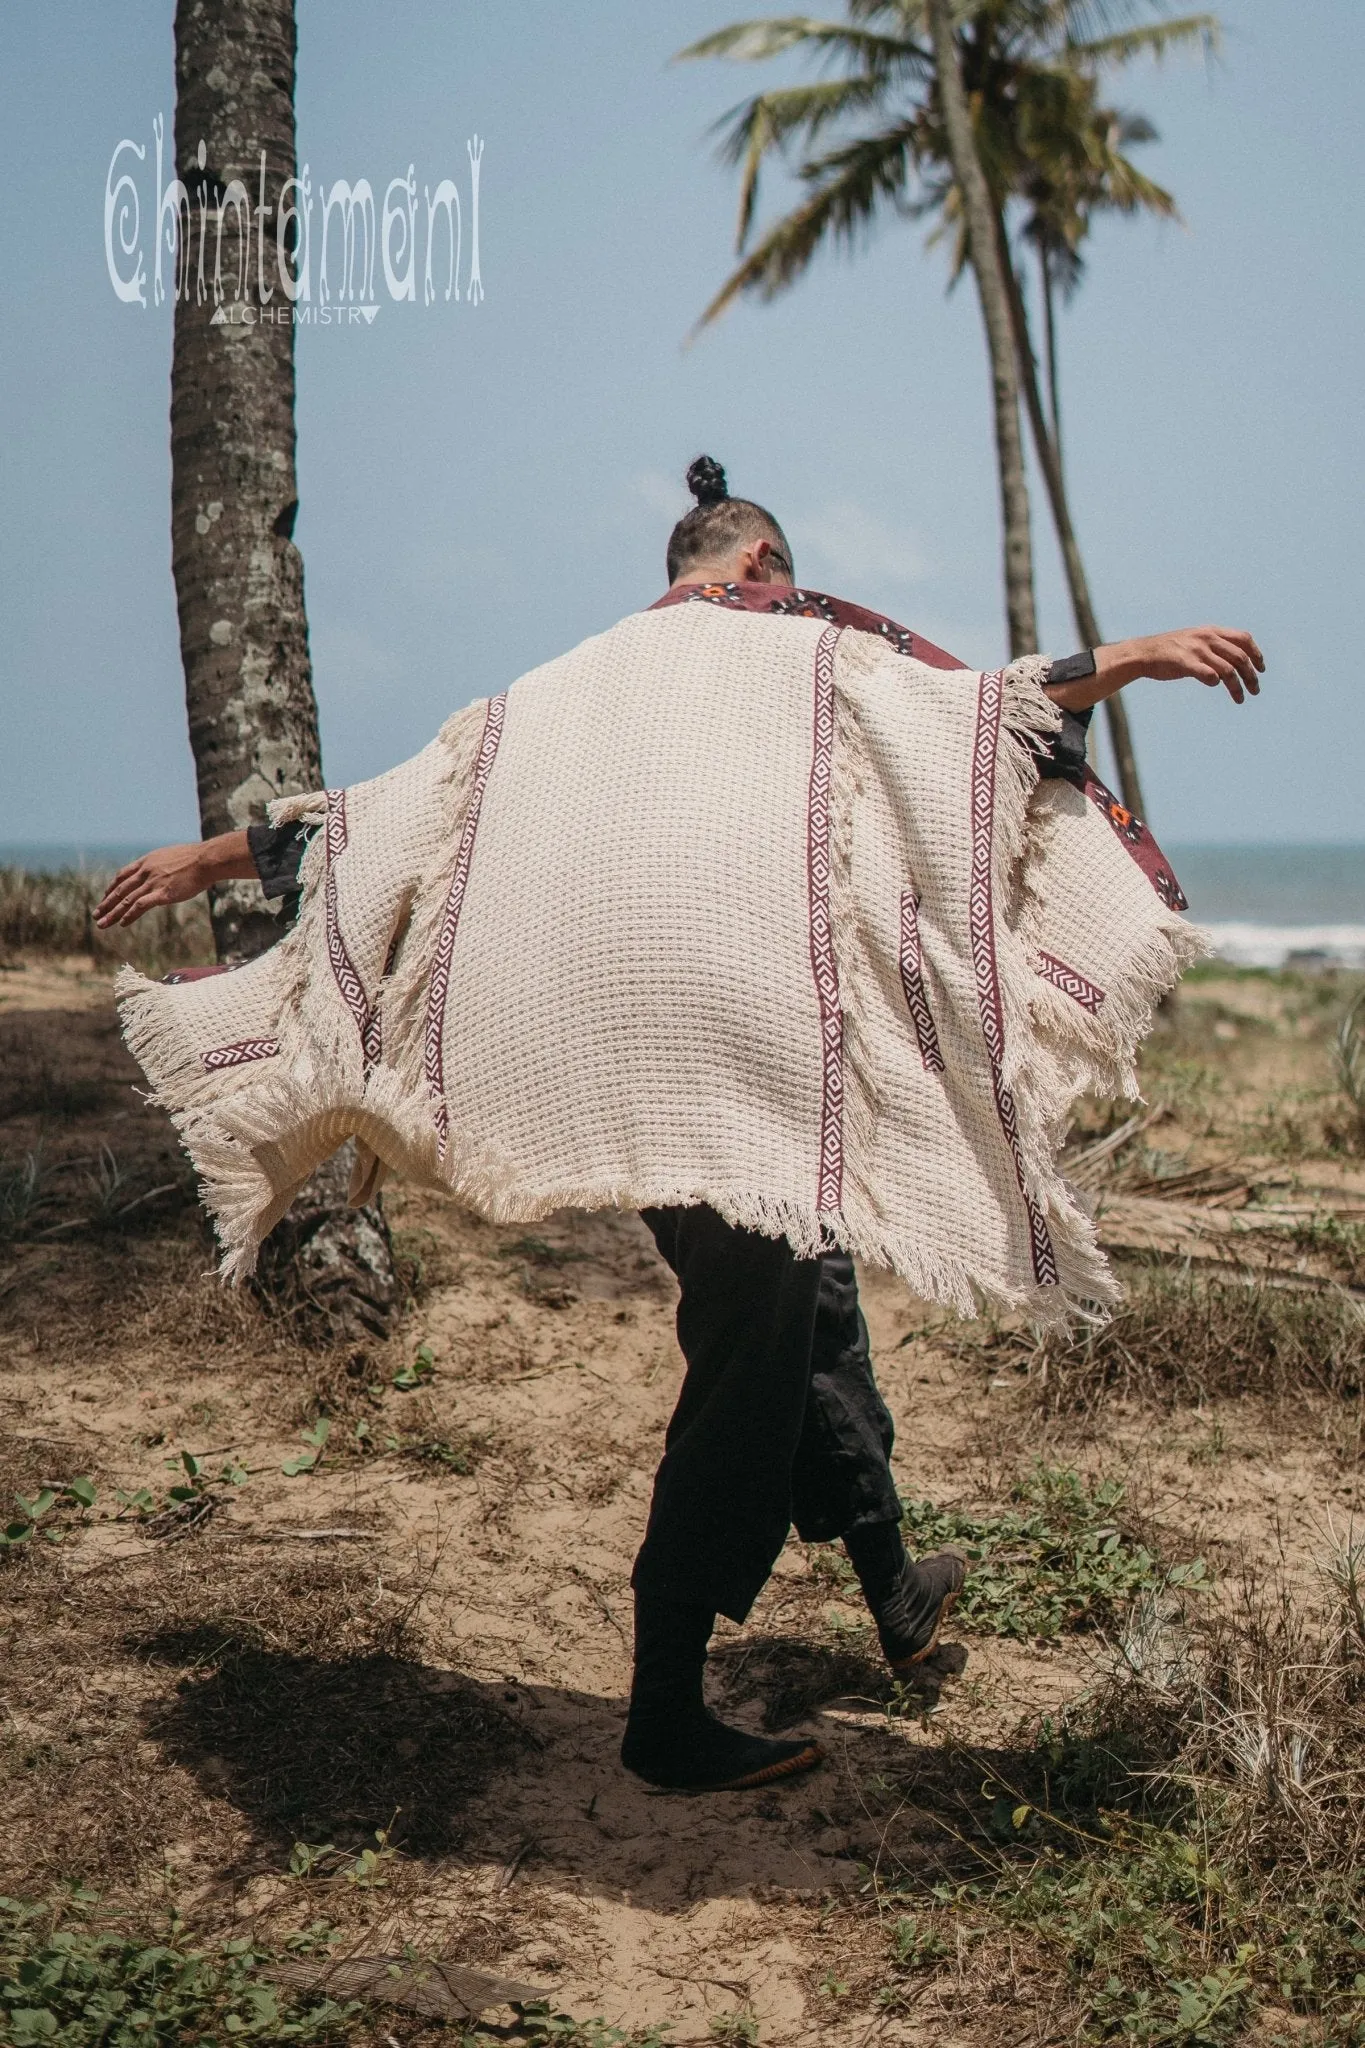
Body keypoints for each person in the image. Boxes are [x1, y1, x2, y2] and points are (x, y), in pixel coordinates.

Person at [97, 457, 1262, 1793]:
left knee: (804, 1304)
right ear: (759, 568)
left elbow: (385, 818)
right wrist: (1143, 654)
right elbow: (979, 713)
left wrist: (209, 858)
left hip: (625, 1078)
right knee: (749, 1368)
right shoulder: (799, 657)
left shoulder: (559, 695)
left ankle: (892, 1584)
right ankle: (664, 1708)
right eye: (786, 578)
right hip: (749, 1072)